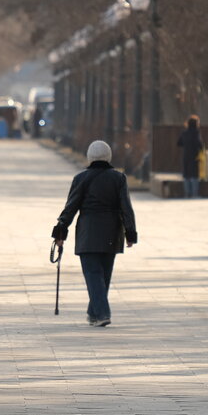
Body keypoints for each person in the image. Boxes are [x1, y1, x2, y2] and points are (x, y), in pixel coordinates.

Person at [51, 140, 138, 327]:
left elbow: (71, 207)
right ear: (109, 156)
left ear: (90, 157)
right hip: (111, 233)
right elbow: (126, 208)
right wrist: (130, 233)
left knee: (93, 274)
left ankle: (102, 314)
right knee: (103, 276)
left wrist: (60, 232)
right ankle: (94, 312)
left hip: (88, 233)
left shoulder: (81, 178)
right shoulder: (118, 179)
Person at [176, 115, 205, 198]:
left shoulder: (184, 132)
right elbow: (199, 144)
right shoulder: (196, 132)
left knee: (186, 175)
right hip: (194, 156)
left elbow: (179, 143)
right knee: (194, 175)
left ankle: (187, 193)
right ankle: (194, 194)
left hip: (185, 155)